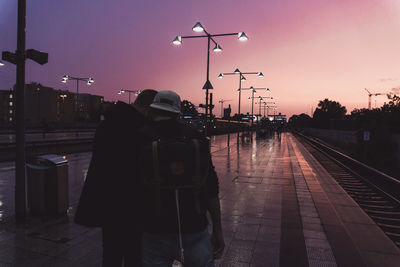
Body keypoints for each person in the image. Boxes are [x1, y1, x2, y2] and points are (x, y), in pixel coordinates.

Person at [138, 90, 225, 267]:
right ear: (178, 112)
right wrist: (217, 228)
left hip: (154, 228)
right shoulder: (196, 137)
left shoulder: (140, 137)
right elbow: (211, 187)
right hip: (194, 227)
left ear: (153, 110)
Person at [74, 89, 158, 267]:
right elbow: (141, 170)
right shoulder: (139, 129)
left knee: (111, 254)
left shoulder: (108, 123)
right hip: (132, 205)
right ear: (148, 108)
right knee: (134, 255)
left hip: (108, 203)